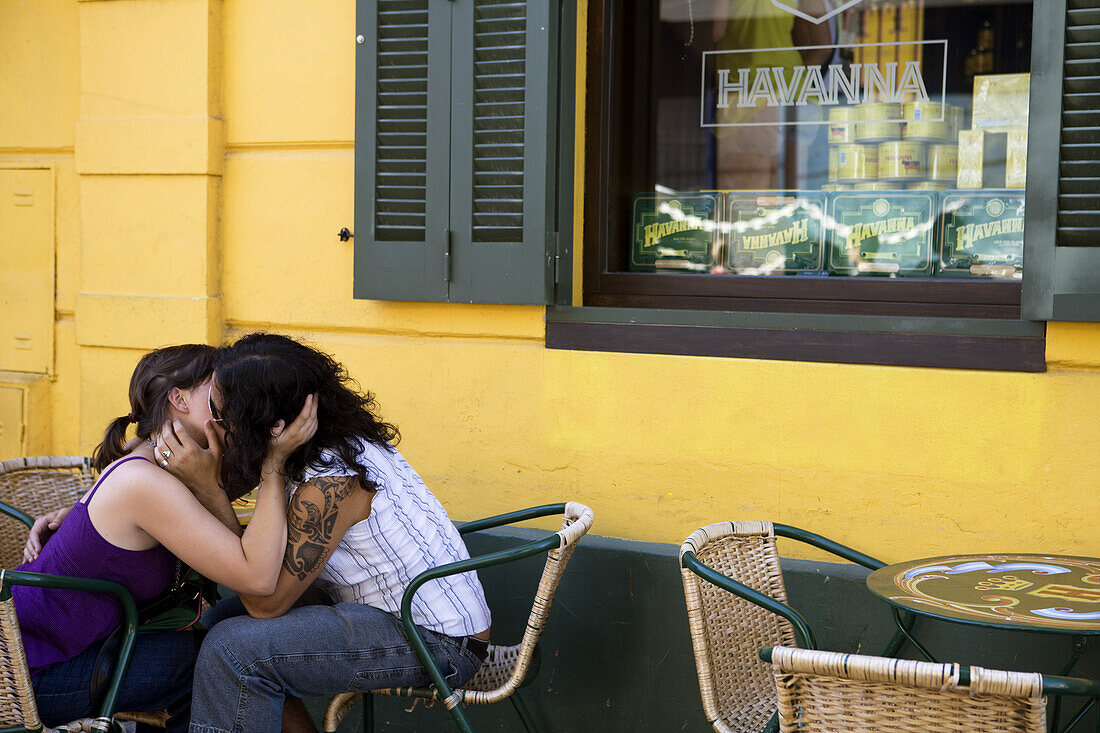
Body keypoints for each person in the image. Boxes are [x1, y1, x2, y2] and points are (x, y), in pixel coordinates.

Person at [179, 333, 491, 733]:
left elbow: (265, 603)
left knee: (234, 650)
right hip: (393, 614)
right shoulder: (334, 438)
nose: (214, 426)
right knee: (211, 623)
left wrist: (246, 478)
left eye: (222, 418)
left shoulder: (332, 479)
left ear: (267, 426)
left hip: (438, 642)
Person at [16, 344, 317, 732]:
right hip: (32, 672)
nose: (232, 402)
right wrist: (274, 463)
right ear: (178, 399)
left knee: (233, 642)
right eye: (218, 393)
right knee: (219, 659)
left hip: (67, 651)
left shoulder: (161, 460)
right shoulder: (145, 481)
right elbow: (257, 577)